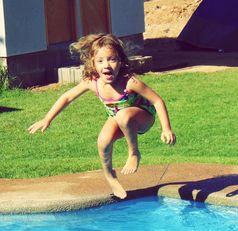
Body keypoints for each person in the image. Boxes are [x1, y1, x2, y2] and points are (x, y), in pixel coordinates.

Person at [28, 33, 176, 199]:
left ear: (120, 61)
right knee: (103, 142)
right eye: (100, 61)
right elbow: (67, 97)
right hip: (119, 119)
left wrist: (166, 129)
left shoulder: (130, 82)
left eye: (112, 59)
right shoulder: (92, 82)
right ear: (93, 63)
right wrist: (47, 118)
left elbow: (157, 100)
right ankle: (110, 176)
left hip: (142, 118)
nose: (106, 65)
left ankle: (134, 153)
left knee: (123, 115)